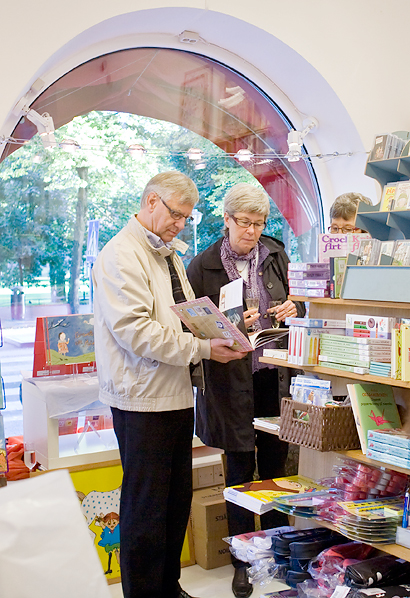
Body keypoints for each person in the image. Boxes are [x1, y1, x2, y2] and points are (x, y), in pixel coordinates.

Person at [92, 171, 247, 598]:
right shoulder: (121, 255)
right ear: (151, 201)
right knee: (146, 506)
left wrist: (217, 330)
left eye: (186, 217)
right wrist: (202, 348)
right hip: (141, 397)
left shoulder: (167, 253)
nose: (180, 224)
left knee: (175, 500)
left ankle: (169, 587)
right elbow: (136, 331)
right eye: (175, 214)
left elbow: (177, 314)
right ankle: (144, 592)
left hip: (176, 390)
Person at [187, 183, 305, 598]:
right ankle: (243, 559)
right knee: (238, 473)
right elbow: (191, 324)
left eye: (259, 223)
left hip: (273, 375)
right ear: (227, 221)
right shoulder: (202, 266)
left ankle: (278, 552)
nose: (253, 231)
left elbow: (299, 300)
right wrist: (231, 323)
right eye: (245, 223)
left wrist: (296, 307)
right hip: (229, 379)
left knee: (277, 468)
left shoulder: (275, 255)